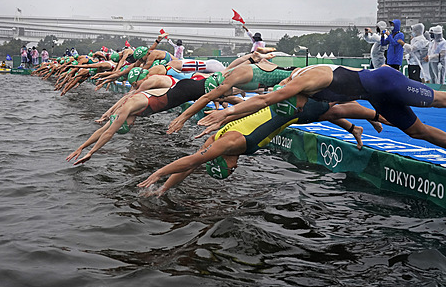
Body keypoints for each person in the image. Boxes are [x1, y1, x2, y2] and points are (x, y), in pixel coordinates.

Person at [138, 98, 386, 197]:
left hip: (290, 110)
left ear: (222, 159)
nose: (234, 171)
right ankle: (355, 128)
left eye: (229, 170)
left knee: (338, 107)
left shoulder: (229, 143)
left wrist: (159, 173)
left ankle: (383, 116)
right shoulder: (214, 144)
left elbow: (192, 162)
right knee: (330, 111)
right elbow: (191, 164)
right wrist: (162, 190)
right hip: (285, 112)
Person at [198, 64, 446, 149]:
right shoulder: (294, 86)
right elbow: (263, 100)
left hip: (386, 82)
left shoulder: (305, 81)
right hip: (373, 95)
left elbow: (264, 101)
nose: (299, 109)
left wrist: (227, 112)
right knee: (417, 132)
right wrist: (226, 116)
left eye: (296, 106)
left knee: (437, 100)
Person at [66, 75, 218, 165]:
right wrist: (82, 147)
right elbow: (103, 130)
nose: (132, 126)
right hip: (181, 91)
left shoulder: (128, 108)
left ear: (125, 121)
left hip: (186, 91)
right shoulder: (123, 113)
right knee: (226, 89)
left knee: (227, 84)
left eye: (129, 126)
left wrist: (92, 152)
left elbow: (109, 134)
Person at [167, 59, 295, 134]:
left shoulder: (232, 78)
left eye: (221, 96)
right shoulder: (232, 79)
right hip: (282, 76)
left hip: (294, 76)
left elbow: (207, 98)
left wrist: (183, 118)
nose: (221, 98)